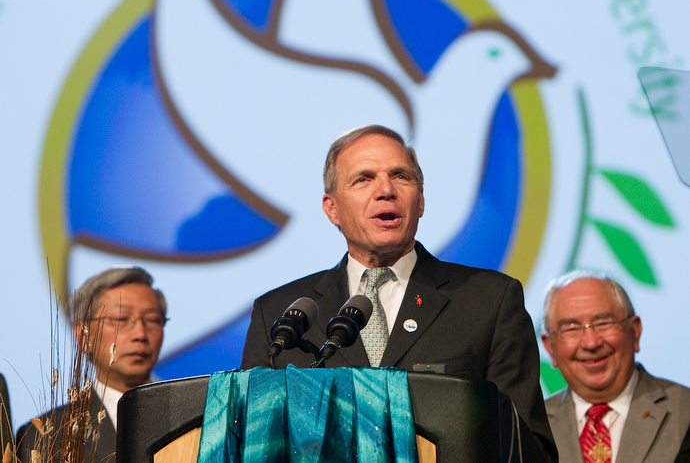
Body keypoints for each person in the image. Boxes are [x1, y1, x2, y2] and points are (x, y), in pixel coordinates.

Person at [241, 124, 557, 462]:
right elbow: (249, 442)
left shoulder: (489, 301)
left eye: (401, 177)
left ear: (420, 201)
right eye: (363, 179)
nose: (386, 190)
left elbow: (528, 447)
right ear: (331, 208)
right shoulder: (278, 316)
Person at [16, 266, 167, 463]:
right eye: (121, 319)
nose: (140, 334)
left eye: (153, 320)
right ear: (84, 335)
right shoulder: (47, 434)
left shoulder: (197, 418)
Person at [541, 271, 690, 463]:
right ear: (550, 347)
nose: (591, 343)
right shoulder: (529, 428)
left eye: (603, 323)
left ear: (635, 331)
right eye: (571, 328)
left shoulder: (685, 411)